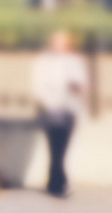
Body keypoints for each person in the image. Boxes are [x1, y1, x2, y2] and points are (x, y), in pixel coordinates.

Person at [31, 29, 88, 198]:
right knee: (54, 147)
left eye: (63, 42)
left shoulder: (74, 61)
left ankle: (54, 181)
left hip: (69, 109)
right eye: (57, 42)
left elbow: (82, 83)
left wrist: (77, 87)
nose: (59, 46)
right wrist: (48, 104)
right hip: (51, 110)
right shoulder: (43, 61)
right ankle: (58, 183)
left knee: (62, 148)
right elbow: (37, 85)